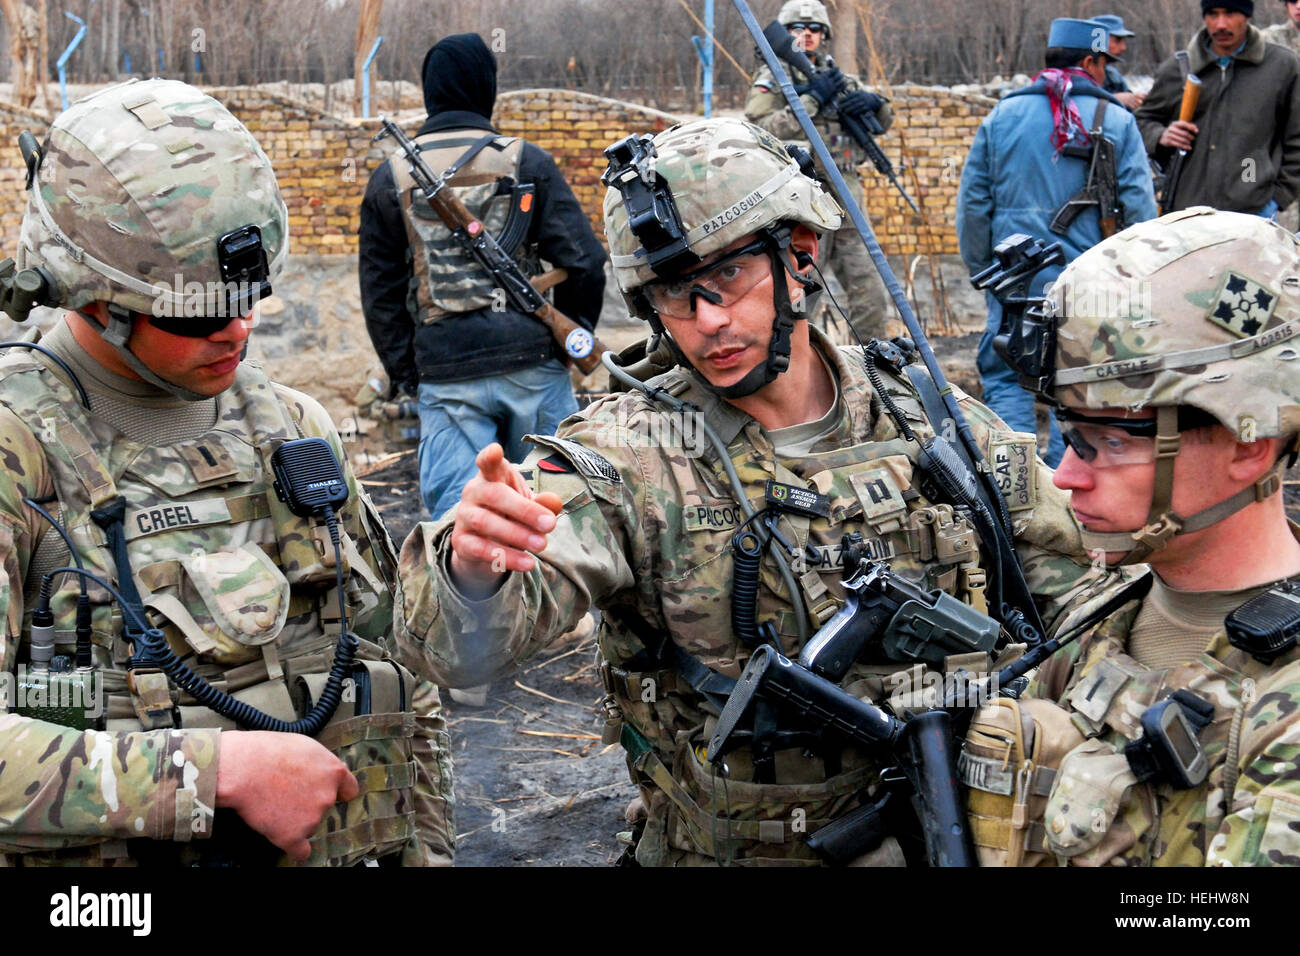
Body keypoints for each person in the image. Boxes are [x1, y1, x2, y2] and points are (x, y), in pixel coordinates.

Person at [391, 117, 1096, 867]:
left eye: (728, 276)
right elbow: (454, 651)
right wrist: (474, 569)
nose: (708, 322)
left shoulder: (930, 415)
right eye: (673, 292)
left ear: (799, 252)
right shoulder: (628, 453)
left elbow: (1074, 594)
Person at [0, 79, 453, 866]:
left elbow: (404, 689)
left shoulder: (294, 430)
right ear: (93, 296)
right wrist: (206, 776)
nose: (239, 331)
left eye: (252, 296)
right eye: (201, 314)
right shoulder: (19, 457)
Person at [964, 209, 1300, 866]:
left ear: (1249, 442)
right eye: (1069, 437)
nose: (1065, 478)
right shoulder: (1104, 619)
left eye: (1109, 443)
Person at [360, 33, 607, 522]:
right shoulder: (526, 160)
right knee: (562, 520)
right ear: (486, 88)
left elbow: (380, 294)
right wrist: (567, 339)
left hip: (446, 375)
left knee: (465, 526)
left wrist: (409, 374)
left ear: (429, 90)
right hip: (534, 366)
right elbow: (584, 261)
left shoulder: (390, 177)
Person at [957, 17, 1157, 468]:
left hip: (1013, 282)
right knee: (1078, 385)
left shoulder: (1001, 116)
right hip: (1090, 285)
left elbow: (972, 204)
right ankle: (1065, 497)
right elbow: (1141, 213)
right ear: (1090, 61)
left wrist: (982, 268)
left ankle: (1013, 492)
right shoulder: (1118, 120)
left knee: (1007, 379)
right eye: (1104, 63)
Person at [744, 0, 894, 345]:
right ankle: (798, 365)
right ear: (785, 34)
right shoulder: (773, 79)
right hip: (800, 199)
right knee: (802, 286)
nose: (807, 35)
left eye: (814, 29)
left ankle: (876, 362)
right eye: (798, 29)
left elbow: (881, 122)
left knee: (868, 287)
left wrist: (875, 104)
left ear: (823, 35)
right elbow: (759, 125)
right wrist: (809, 100)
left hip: (846, 196)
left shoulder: (837, 76)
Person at [1135, 1, 1300, 216]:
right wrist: (1161, 135)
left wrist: (1278, 197)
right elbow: (1140, 122)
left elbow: (1296, 138)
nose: (1221, 24)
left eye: (1230, 13)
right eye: (1213, 14)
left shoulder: (1281, 66)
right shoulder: (1178, 69)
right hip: (1187, 213)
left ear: (1247, 16)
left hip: (1253, 214)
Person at [1090, 14, 1145, 110]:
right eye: (1117, 40)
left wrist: (1135, 100)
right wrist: (1114, 99)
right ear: (1098, 39)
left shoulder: (1114, 76)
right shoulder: (1070, 77)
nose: (1124, 48)